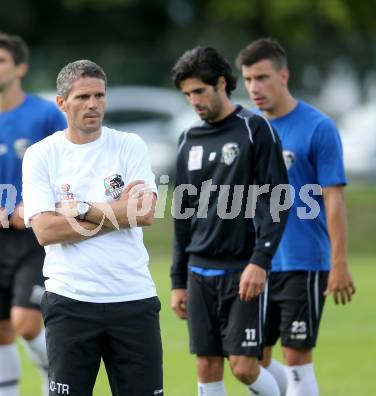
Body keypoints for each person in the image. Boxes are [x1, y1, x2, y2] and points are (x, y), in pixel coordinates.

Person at [22, 59, 163, 396]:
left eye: (99, 96)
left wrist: (82, 209)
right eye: (83, 97)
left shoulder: (129, 145)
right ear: (61, 103)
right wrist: (118, 213)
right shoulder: (41, 155)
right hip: (70, 302)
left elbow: (144, 213)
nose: (93, 105)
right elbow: (45, 231)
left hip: (133, 299)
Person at [236, 38, 356, 396]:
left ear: (283, 75)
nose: (254, 88)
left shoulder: (318, 127)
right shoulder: (248, 128)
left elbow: (334, 201)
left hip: (304, 262)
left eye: (262, 77)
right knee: (250, 361)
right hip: (257, 263)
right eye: (248, 79)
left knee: (297, 358)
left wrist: (339, 263)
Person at [170, 46, 289, 396]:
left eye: (199, 91)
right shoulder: (187, 140)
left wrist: (260, 262)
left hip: (243, 269)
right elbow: (183, 215)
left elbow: (277, 202)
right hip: (199, 272)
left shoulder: (255, 130)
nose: (193, 100)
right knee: (207, 365)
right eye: (187, 93)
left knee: (244, 366)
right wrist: (178, 279)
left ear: (221, 83)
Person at [0, 32, 67, 396]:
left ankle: (54, 375)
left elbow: (67, 167)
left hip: (32, 235)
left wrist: (36, 207)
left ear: (20, 67)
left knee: (25, 322)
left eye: (0, 61)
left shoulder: (45, 114)